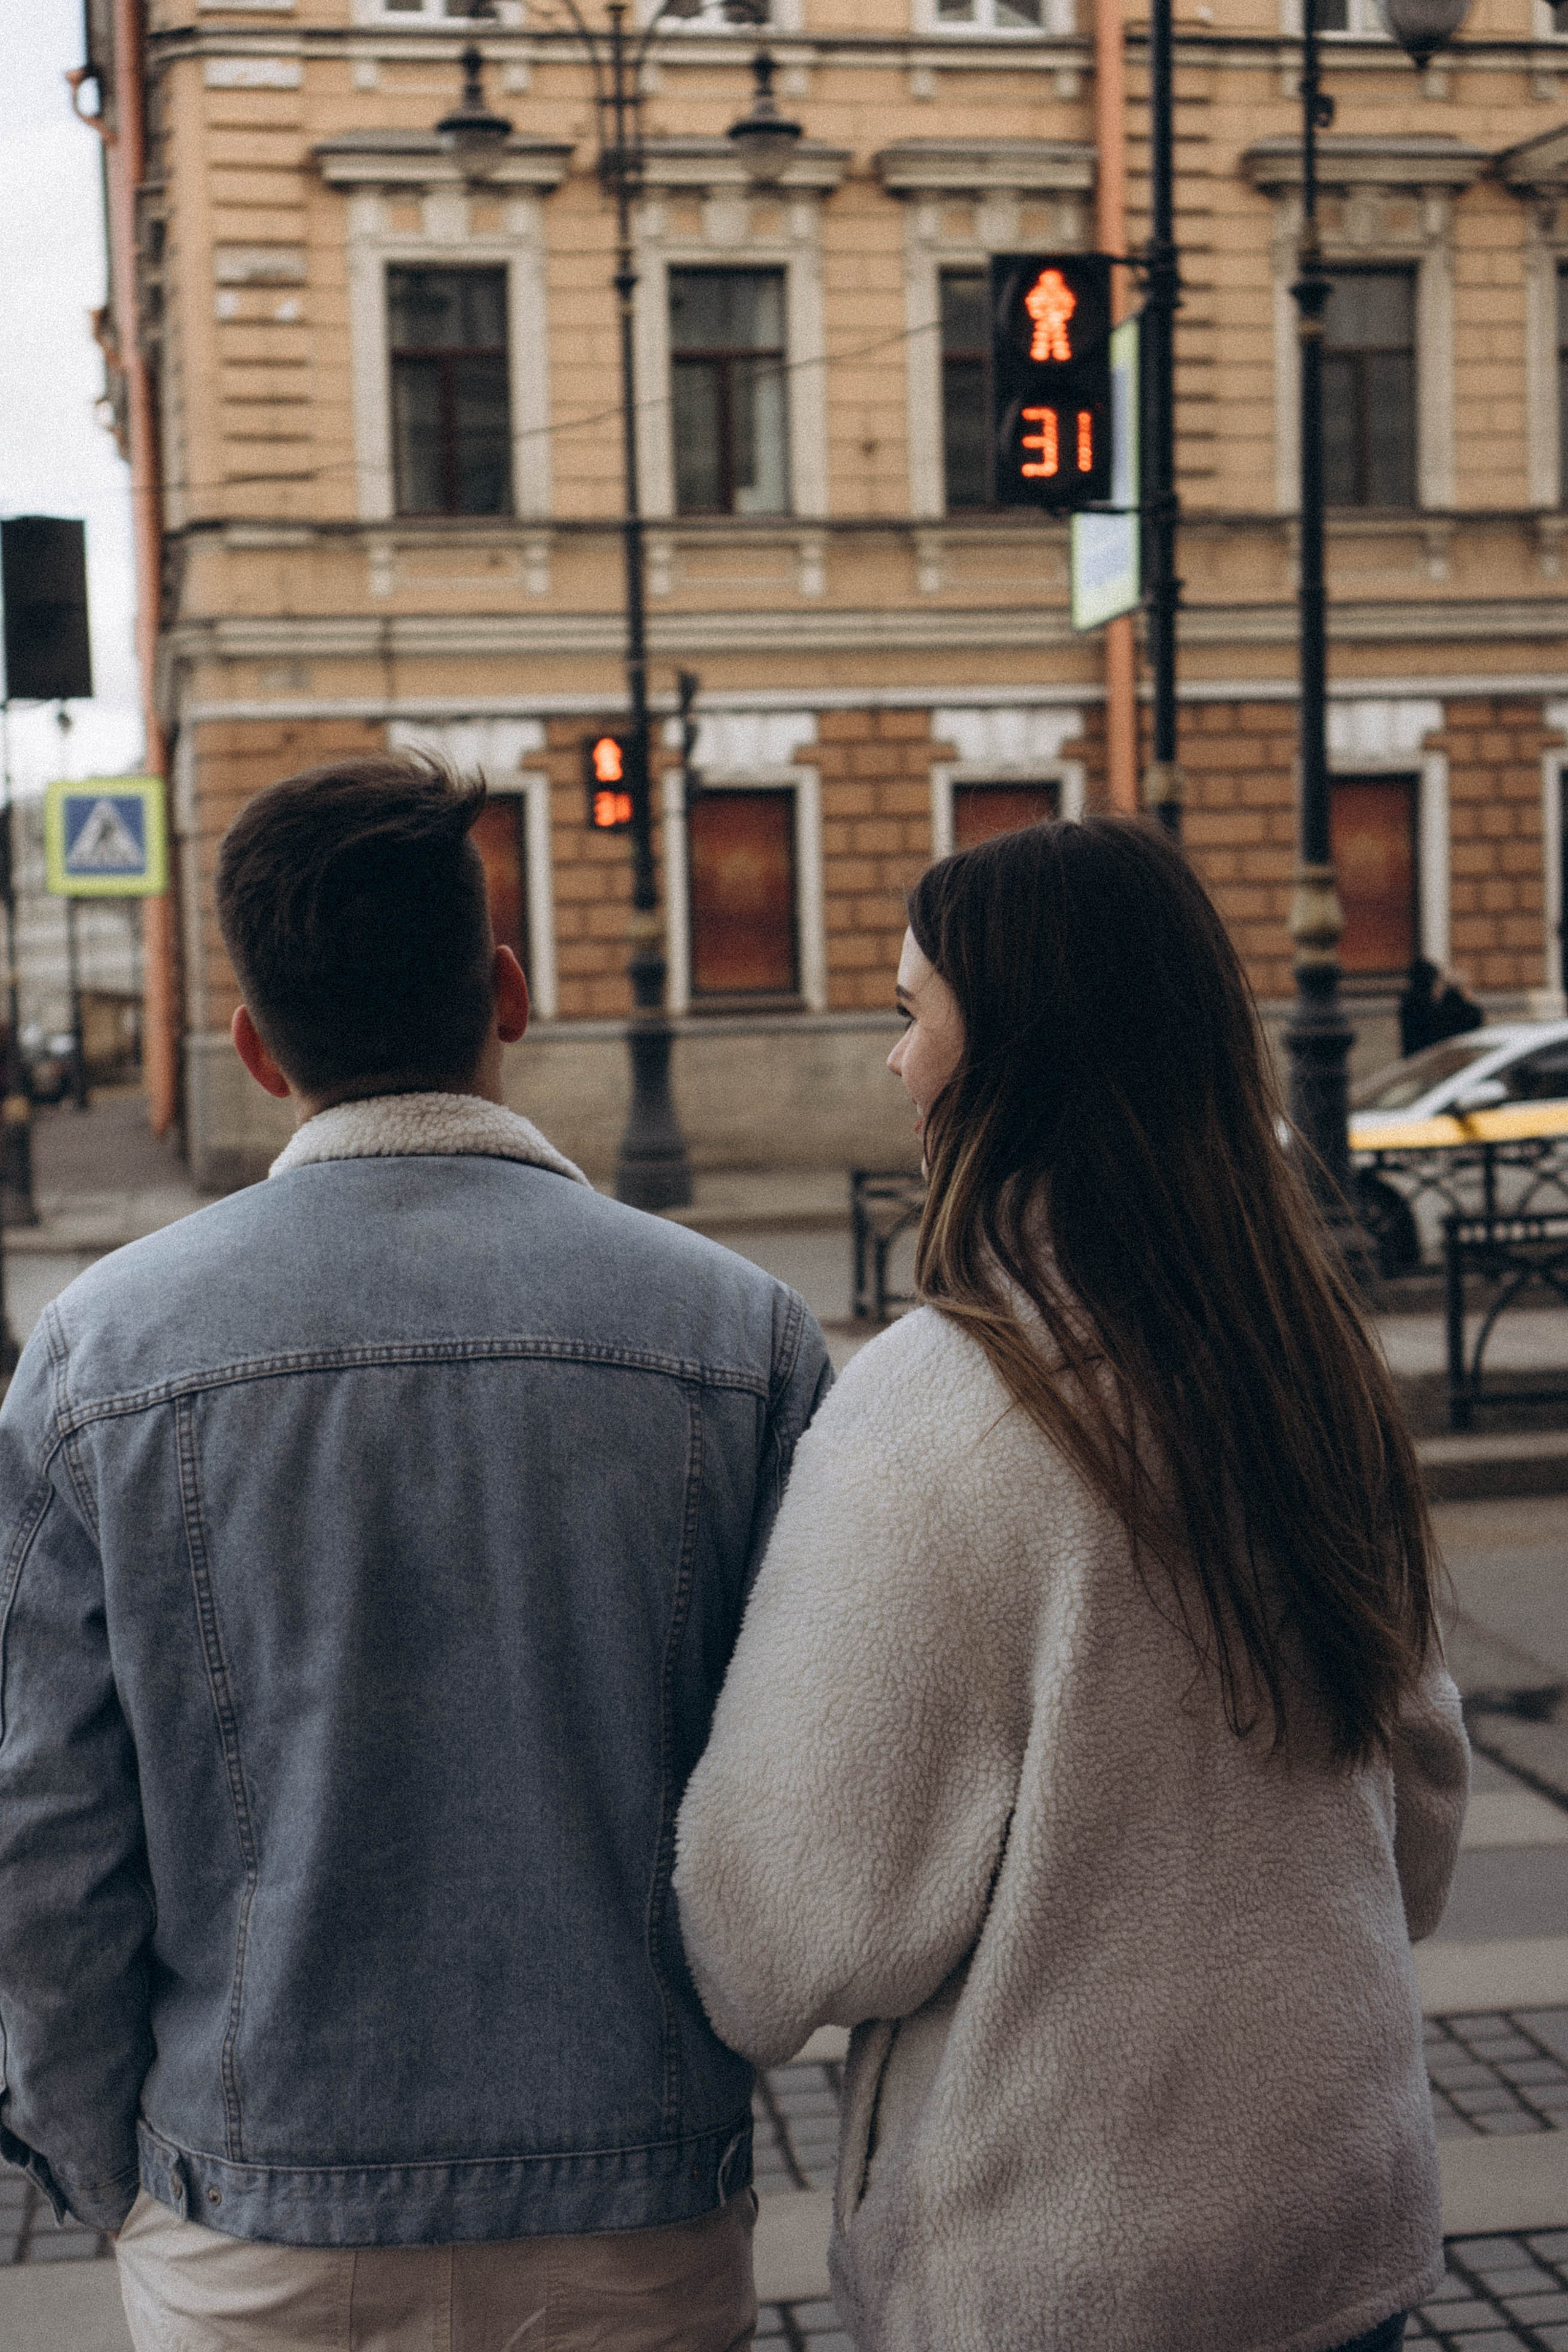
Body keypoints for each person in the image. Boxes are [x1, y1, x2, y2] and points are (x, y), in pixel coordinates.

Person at [0, 755, 831, 2352]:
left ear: (253, 1048)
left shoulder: (100, 1351)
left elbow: (40, 1831)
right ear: (506, 991)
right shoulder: (742, 1340)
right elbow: (809, 1799)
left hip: (254, 2224)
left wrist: (112, 2172)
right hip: (635, 2215)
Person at [674, 816, 1469, 2352]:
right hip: (1338, 2224)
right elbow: (1419, 1832)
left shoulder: (941, 1403)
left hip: (1065, 2268)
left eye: (911, 1016)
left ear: (1009, 1054)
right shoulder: (1306, 1358)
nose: (892, 1066)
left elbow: (784, 1931)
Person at [1398, 955, 1484, 1060]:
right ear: (1430, 984)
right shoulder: (1425, 1010)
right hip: (1429, 1065)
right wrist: (1464, 993)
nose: (1440, 987)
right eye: (1438, 982)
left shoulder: (1413, 1004)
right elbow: (1473, 1020)